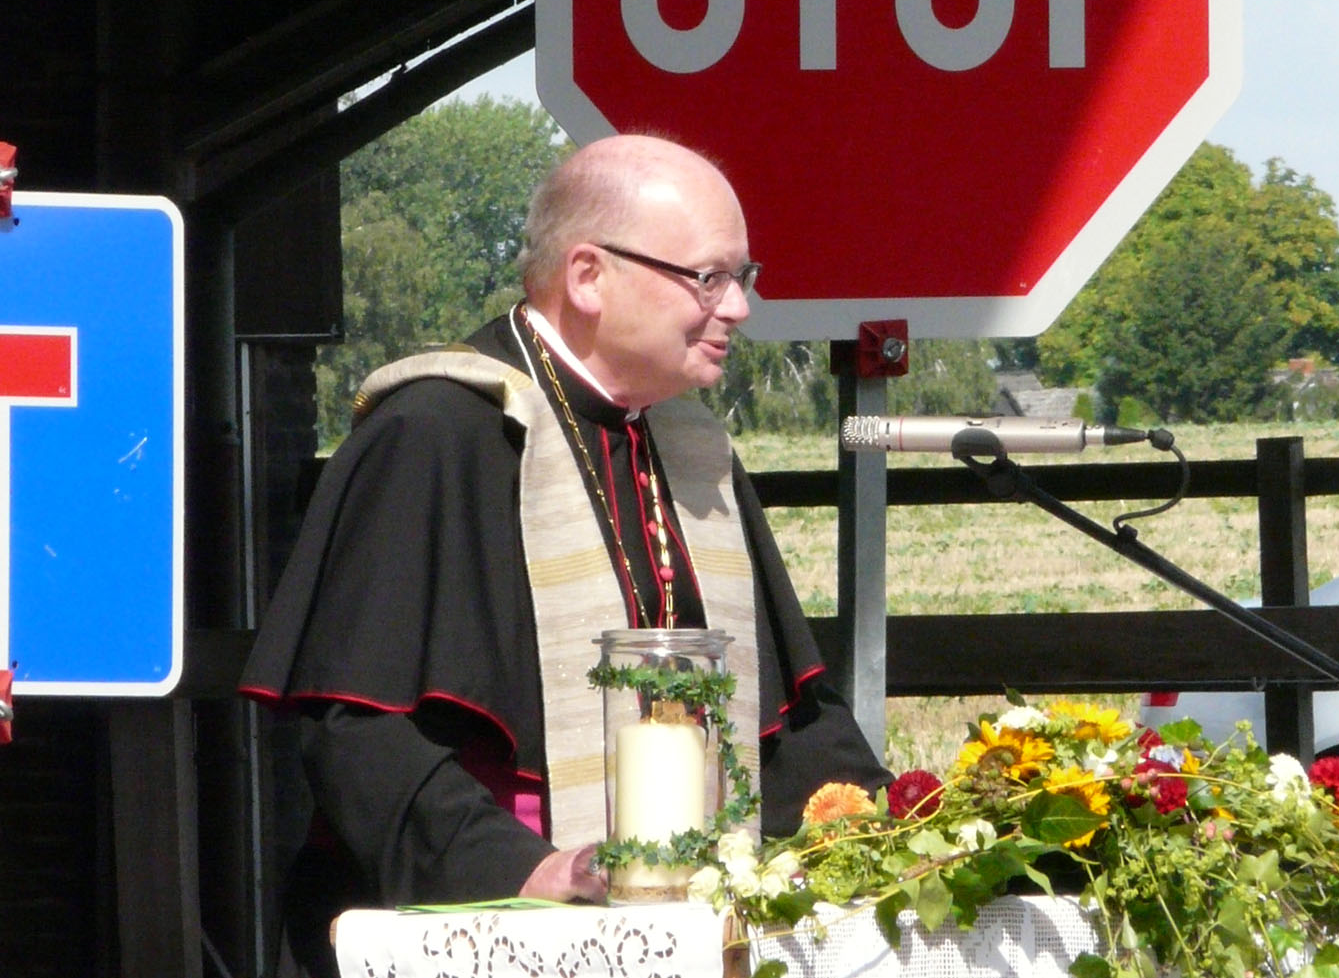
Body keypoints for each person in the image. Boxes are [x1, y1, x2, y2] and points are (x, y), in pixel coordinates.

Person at [242, 133, 889, 973]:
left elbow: (785, 722)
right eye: (709, 277)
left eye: (744, 276)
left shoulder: (691, 447)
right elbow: (356, 730)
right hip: (479, 926)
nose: (738, 307)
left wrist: (912, 824)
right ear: (588, 275)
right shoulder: (434, 430)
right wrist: (525, 867)